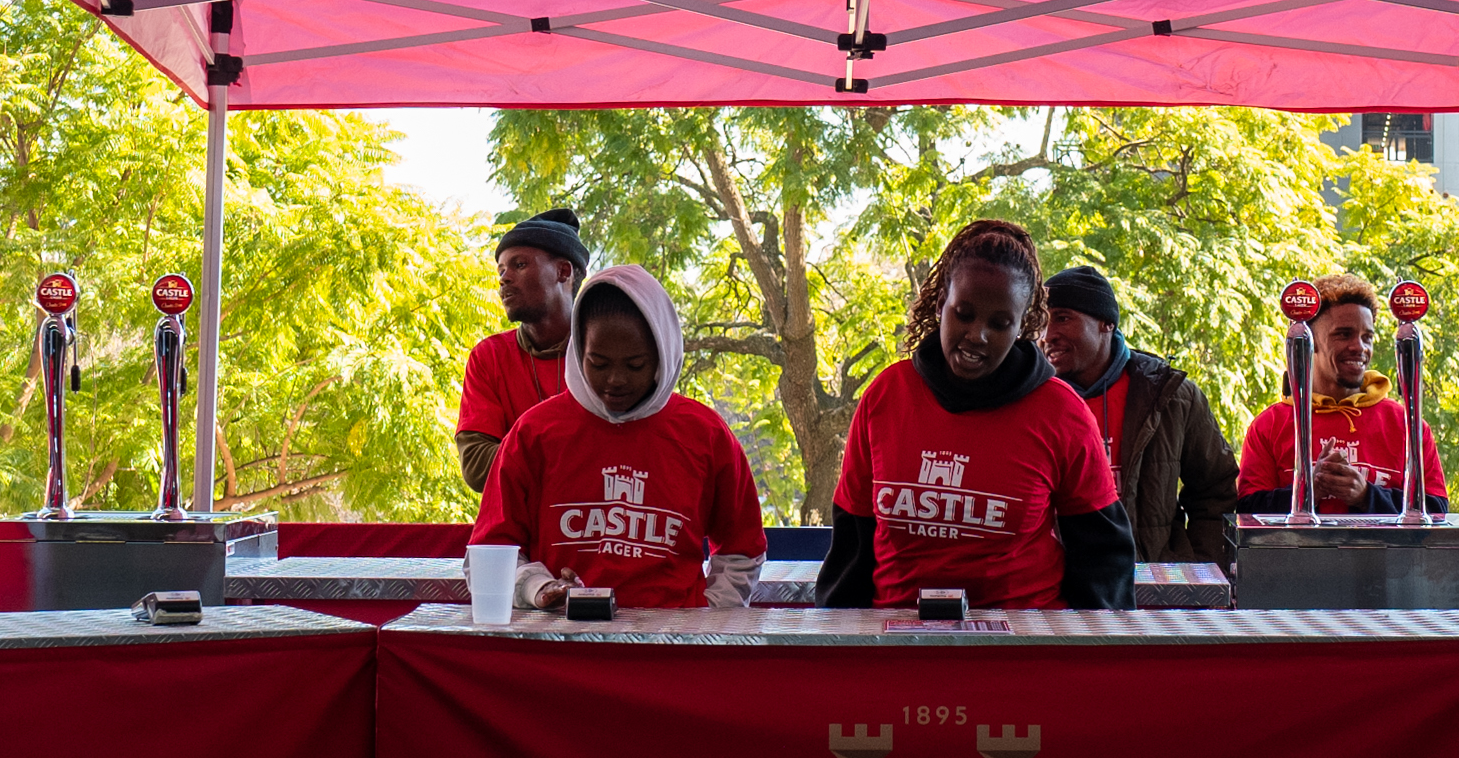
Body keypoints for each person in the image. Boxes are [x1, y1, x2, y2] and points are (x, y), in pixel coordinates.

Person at [817, 216, 1133, 611]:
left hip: (1022, 649)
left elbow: (1102, 560)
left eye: (1000, 323)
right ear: (939, 305)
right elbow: (852, 546)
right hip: (896, 645)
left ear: (1022, 327)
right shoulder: (886, 396)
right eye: (964, 313)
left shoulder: (1061, 412)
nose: (977, 334)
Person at [470, 262, 766, 610]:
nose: (615, 380)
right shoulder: (535, 432)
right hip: (561, 648)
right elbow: (488, 556)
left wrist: (708, 617)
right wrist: (539, 588)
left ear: (662, 356)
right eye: (598, 363)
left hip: (671, 652)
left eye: (635, 365)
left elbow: (743, 549)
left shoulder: (706, 434)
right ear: (578, 351)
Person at [1038, 265, 1237, 568]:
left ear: (1106, 323)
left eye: (1063, 318)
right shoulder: (1032, 400)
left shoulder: (1172, 396)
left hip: (1153, 593)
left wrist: (1199, 569)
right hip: (1057, 592)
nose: (1047, 335)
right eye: (1041, 322)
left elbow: (1215, 491)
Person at [1233, 275, 1447, 518]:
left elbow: (1438, 513)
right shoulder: (1270, 425)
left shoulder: (1406, 425)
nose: (1359, 347)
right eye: (1343, 334)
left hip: (1386, 557)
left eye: (1367, 337)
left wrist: (1367, 495)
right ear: (1311, 342)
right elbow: (1248, 514)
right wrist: (1306, 489)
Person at [456, 209, 588, 493]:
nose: (504, 279)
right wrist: (574, 453)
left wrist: (518, 453)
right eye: (501, 270)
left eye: (519, 265)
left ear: (563, 271)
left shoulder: (604, 351)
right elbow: (477, 466)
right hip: (518, 532)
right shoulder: (488, 357)